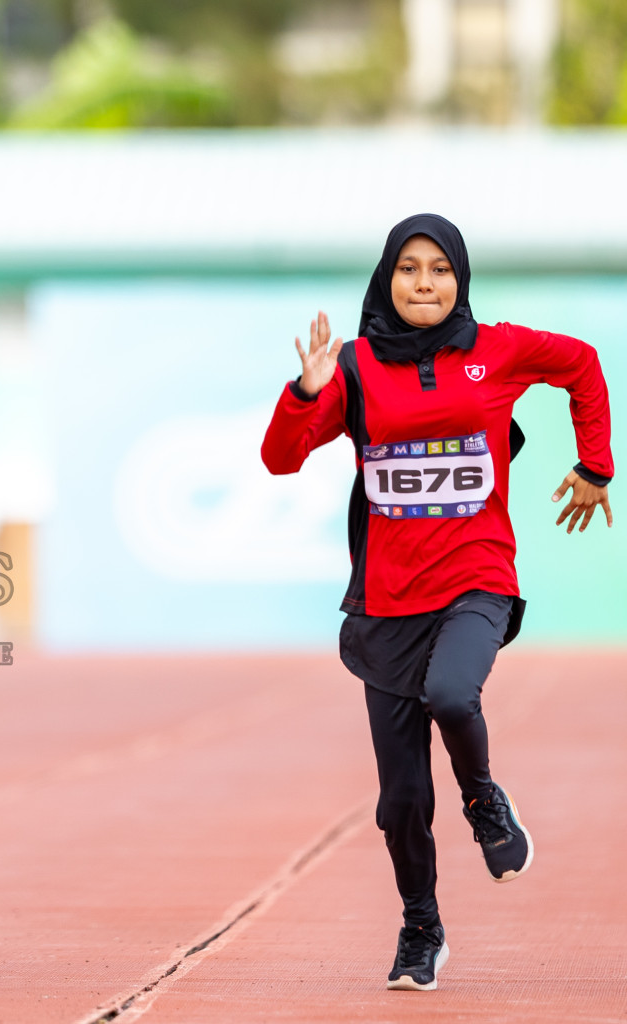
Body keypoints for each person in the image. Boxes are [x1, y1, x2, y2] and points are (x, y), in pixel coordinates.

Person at [261, 214, 612, 992]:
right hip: (388, 601)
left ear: (461, 279)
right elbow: (280, 459)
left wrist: (597, 466)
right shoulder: (352, 367)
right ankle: (421, 925)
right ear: (387, 279)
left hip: (478, 576)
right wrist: (306, 390)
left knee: (454, 692)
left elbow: (583, 364)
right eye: (409, 269)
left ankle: (484, 800)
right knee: (401, 801)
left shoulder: (500, 348)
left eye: (440, 269)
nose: (425, 283)